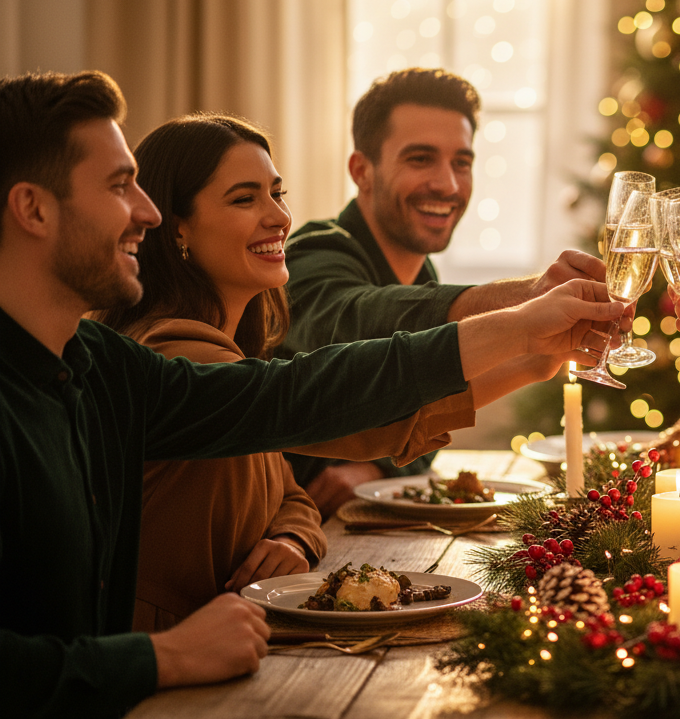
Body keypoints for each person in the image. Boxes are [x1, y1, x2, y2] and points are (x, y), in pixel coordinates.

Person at [0, 70, 623, 718]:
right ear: (33, 208)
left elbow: (292, 406)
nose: (146, 212)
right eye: (117, 185)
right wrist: (163, 656)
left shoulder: (97, 365)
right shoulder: (155, 348)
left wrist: (523, 335)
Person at [94, 113, 572, 631]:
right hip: (167, 657)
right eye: (244, 198)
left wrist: (293, 538)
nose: (279, 217)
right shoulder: (174, 353)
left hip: (243, 635)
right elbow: (335, 397)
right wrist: (521, 326)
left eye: (277, 193)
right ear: (177, 226)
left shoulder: (233, 355)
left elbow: (291, 492)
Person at [280, 68, 609, 516]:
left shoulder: (420, 272)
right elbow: (356, 320)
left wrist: (380, 469)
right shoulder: (314, 253)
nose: (449, 185)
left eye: (462, 162)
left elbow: (427, 406)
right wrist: (528, 295)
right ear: (362, 170)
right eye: (420, 159)